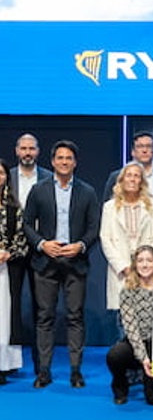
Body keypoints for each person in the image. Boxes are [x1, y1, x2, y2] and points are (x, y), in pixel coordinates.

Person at [24, 140, 100, 389]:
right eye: (60, 158)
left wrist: (81, 245)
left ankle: (76, 371)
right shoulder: (39, 190)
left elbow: (94, 228)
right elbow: (26, 225)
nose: (64, 162)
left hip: (75, 262)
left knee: (75, 317)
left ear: (75, 162)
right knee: (44, 317)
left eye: (69, 158)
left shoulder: (87, 191)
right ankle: (43, 371)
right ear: (53, 161)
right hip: (46, 262)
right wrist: (42, 244)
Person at [103, 131, 153, 276]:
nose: (144, 150)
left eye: (148, 146)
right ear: (133, 151)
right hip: (122, 256)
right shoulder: (116, 177)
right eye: (140, 146)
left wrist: (152, 256)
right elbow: (108, 221)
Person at [10, 133, 52, 374]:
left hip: (39, 249)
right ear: (17, 151)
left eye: (31, 148)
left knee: (41, 308)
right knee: (9, 307)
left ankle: (41, 364)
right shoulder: (6, 177)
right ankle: (8, 363)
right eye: (23, 148)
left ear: (38, 151)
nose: (27, 152)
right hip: (11, 253)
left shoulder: (48, 178)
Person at [106, 245, 153, 405]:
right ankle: (120, 385)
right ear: (135, 265)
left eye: (149, 260)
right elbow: (130, 328)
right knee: (115, 355)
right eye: (140, 261)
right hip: (135, 344)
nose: (145, 265)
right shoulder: (127, 290)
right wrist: (144, 358)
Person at [100, 161, 153, 311]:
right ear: (121, 180)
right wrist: (124, 267)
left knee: (147, 314)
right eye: (129, 175)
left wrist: (146, 263)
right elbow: (106, 239)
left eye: (137, 176)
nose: (132, 179)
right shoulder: (109, 207)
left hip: (147, 271)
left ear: (142, 182)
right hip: (122, 271)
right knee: (123, 319)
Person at [0, 159, 28, 385]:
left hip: (6, 269)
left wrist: (8, 253)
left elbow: (21, 240)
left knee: (5, 317)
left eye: (0, 174)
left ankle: (3, 365)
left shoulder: (13, 208)